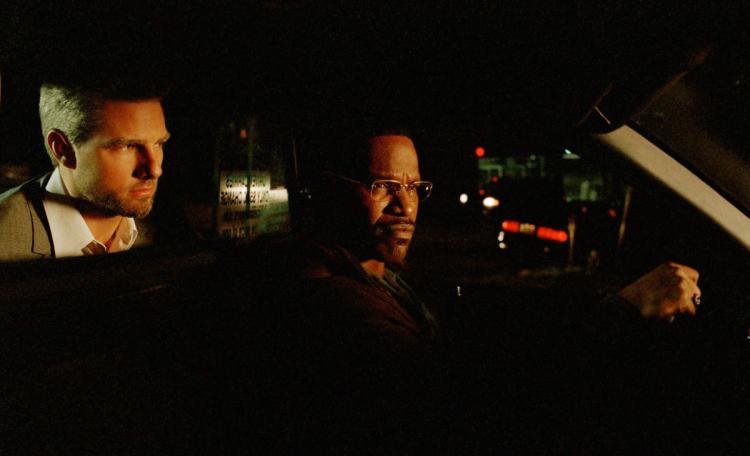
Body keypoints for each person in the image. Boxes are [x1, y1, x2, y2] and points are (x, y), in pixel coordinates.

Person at [0, 79, 170, 261]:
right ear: (63, 149)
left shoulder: (171, 227)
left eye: (158, 143)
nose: (155, 170)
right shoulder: (6, 242)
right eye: (126, 146)